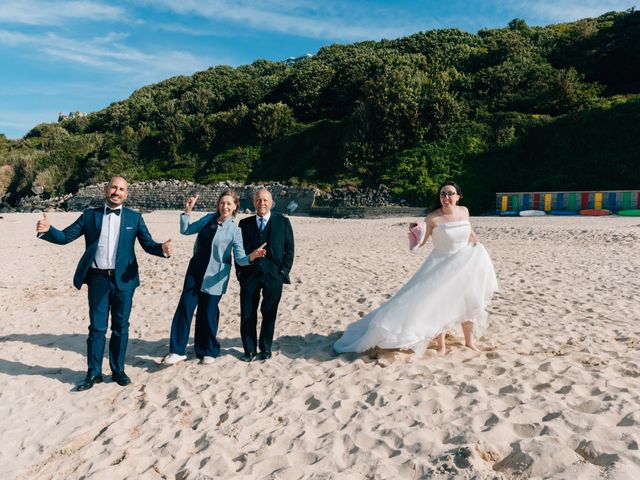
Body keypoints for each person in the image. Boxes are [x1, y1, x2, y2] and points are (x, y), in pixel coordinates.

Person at [36, 176, 172, 391]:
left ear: (126, 194)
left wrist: (161, 250)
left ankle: (118, 370)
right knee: (97, 329)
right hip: (98, 279)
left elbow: (148, 244)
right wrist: (47, 230)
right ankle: (93, 372)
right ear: (106, 189)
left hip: (124, 281)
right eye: (113, 187)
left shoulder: (134, 218)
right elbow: (64, 237)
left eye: (121, 189)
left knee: (120, 328)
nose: (116, 192)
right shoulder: (90, 216)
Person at [334, 180, 498, 357]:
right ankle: (441, 345)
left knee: (470, 301)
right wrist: (414, 233)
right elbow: (421, 243)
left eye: (450, 193)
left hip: (466, 263)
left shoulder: (464, 211)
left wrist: (478, 249)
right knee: (441, 304)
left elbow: (470, 234)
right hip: (442, 266)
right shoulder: (432, 218)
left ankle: (470, 342)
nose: (446, 197)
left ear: (458, 196)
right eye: (443, 194)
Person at [163, 190, 266, 366]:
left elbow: (240, 258)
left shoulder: (235, 230)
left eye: (228, 204)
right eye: (222, 203)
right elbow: (186, 230)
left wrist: (252, 256)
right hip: (195, 271)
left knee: (208, 313)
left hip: (216, 276)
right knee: (185, 309)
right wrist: (187, 211)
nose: (224, 206)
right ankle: (177, 351)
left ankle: (208, 350)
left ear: (234, 207)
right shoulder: (208, 219)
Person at [236, 188, 295, 362]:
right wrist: (240, 273)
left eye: (265, 200)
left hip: (274, 276)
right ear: (254, 202)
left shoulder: (283, 222)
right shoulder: (244, 224)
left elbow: (289, 249)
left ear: (271, 202)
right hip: (249, 275)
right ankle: (249, 350)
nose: (261, 203)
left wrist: (283, 272)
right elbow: (238, 251)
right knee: (247, 313)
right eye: (258, 200)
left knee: (269, 313)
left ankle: (266, 348)